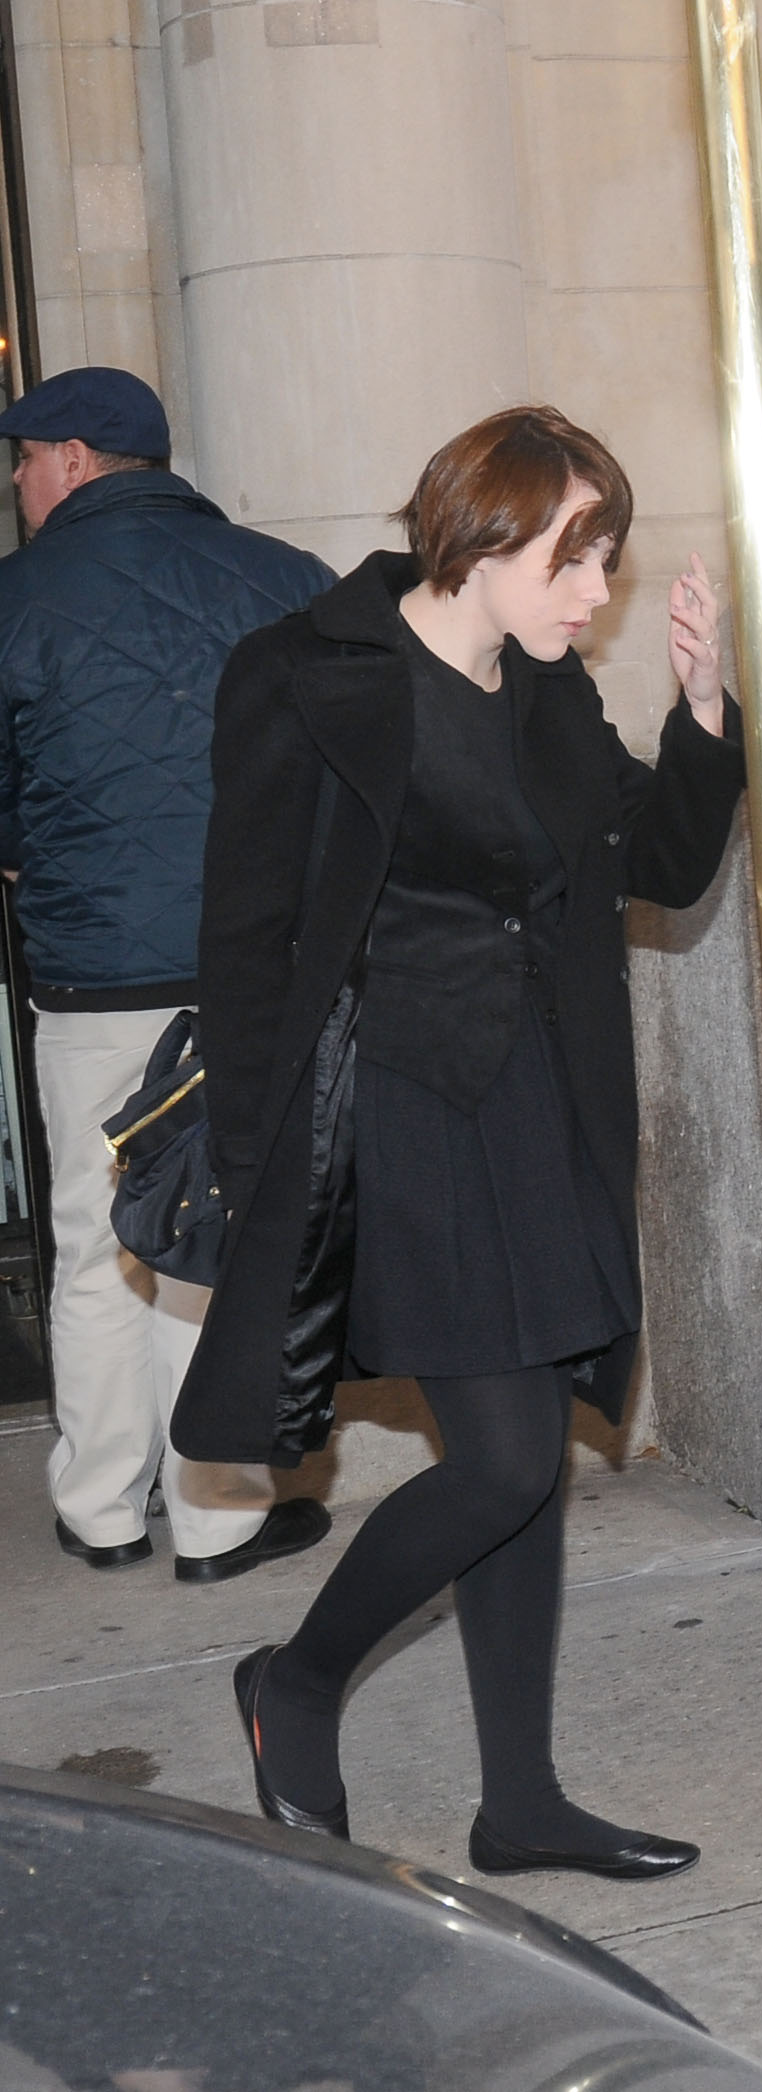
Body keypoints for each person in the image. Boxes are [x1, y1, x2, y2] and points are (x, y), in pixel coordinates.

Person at [171, 404, 745, 1877]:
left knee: (529, 1455)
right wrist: (257, 1172)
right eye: (573, 557)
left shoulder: (541, 693)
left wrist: (704, 711)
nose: (593, 594)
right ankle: (293, 1683)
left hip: (536, 1119)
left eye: (606, 560)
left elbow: (665, 866)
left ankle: (521, 1802)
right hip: (395, 1114)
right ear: (482, 536)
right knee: (497, 1462)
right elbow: (244, 940)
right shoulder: (306, 677)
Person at [0, 365, 334, 1581]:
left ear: (75, 459)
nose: (20, 481)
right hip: (256, 983)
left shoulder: (14, 600)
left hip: (94, 982)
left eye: (25, 459)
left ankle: (100, 1510)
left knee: (95, 1246)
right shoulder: (290, 582)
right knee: (220, 1243)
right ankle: (219, 1520)